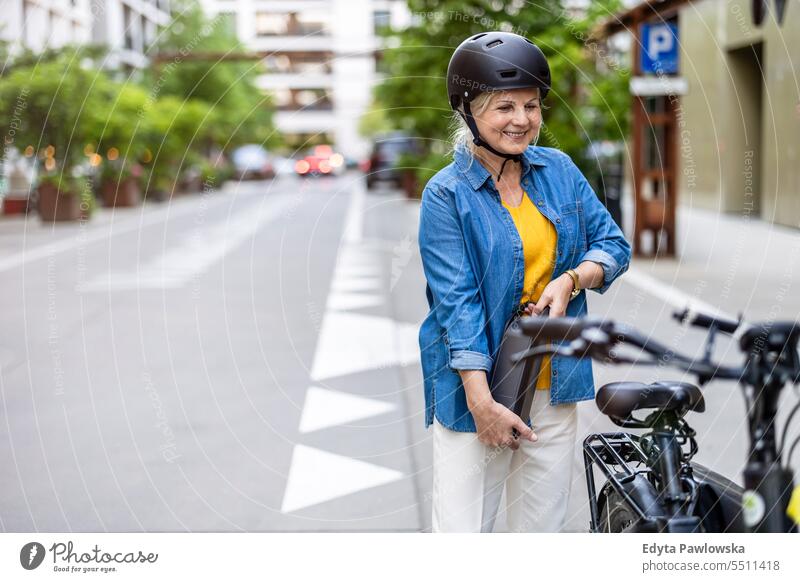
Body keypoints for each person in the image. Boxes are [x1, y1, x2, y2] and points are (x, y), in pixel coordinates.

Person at [418, 31, 632, 533]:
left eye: (532, 106)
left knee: (540, 537)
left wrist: (572, 280)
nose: (522, 120)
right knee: (462, 535)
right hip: (479, 390)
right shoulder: (446, 195)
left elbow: (613, 245)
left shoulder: (558, 171)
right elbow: (457, 306)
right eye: (504, 106)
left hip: (553, 382)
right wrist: (481, 403)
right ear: (468, 111)